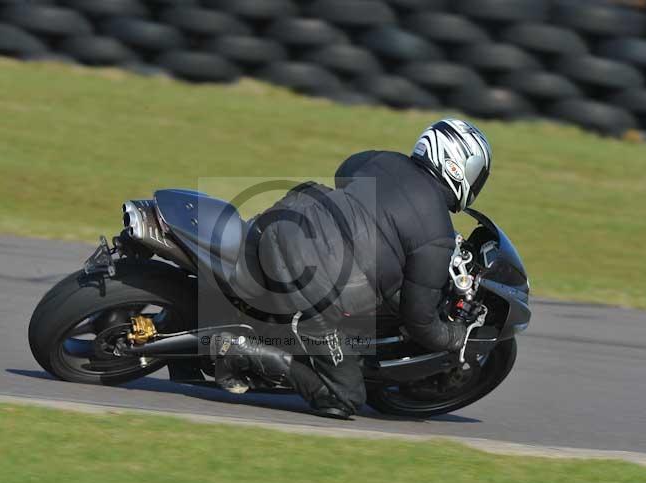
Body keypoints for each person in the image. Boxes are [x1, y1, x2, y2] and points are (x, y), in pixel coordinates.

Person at [211, 118, 493, 419]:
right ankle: (241, 350)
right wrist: (453, 336)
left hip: (277, 228)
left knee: (316, 191)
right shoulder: (437, 233)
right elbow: (420, 320)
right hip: (305, 282)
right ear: (457, 168)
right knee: (345, 397)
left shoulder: (384, 160)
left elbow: (343, 173)